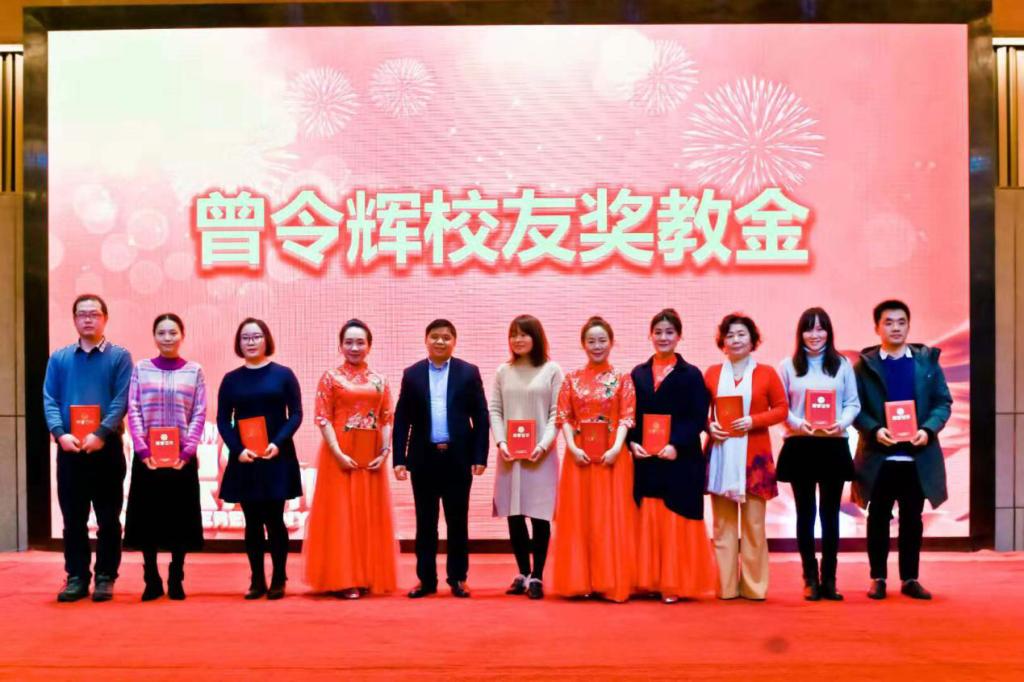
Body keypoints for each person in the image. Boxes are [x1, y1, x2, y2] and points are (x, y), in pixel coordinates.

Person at [852, 300, 952, 601]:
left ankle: (910, 578)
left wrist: (928, 430)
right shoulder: (864, 367)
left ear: (909, 325)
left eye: (901, 322)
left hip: (917, 457)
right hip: (879, 456)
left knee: (912, 519)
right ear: (877, 328)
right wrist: (873, 429)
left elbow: (942, 403)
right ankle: (878, 578)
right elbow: (854, 407)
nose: (895, 328)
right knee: (878, 518)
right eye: (888, 322)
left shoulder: (927, 363)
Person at [43, 294, 133, 602]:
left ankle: (106, 576)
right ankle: (77, 577)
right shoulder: (59, 358)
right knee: (73, 519)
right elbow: (50, 399)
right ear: (74, 320)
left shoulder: (119, 357)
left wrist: (101, 432)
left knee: (108, 518)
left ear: (105, 318)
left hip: (106, 448)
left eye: (94, 314)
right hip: (70, 449)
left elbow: (121, 400)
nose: (88, 319)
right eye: (82, 314)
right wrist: (60, 434)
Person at [392, 319, 489, 598]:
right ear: (426, 340)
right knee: (426, 523)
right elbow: (402, 419)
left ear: (454, 342)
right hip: (424, 459)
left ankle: (457, 578)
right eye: (434, 337)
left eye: (446, 337)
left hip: (458, 458)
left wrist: (480, 455)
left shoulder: (468, 372)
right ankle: (426, 580)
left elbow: (481, 416)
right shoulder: (412, 374)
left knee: (457, 521)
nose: (440, 342)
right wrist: (399, 458)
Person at [628, 309, 716, 604]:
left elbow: (697, 416)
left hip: (680, 460)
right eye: (658, 332)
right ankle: (651, 580)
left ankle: (674, 582)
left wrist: (676, 444)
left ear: (679, 336)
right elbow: (629, 414)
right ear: (650, 335)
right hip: (647, 460)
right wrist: (632, 443)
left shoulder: (691, 374)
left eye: (669, 332)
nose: (663, 338)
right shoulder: (638, 373)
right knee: (650, 518)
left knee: (675, 520)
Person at [304, 320, 398, 598]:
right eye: (348, 342)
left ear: (369, 346)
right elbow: (323, 418)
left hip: (370, 455)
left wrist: (384, 452)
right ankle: (343, 578)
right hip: (339, 455)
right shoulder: (331, 378)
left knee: (368, 515)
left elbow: (386, 419)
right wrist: (337, 452)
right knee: (341, 516)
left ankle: (366, 575)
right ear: (340, 346)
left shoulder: (380, 380)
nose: (354, 348)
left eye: (360, 342)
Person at [776, 307, 860, 601]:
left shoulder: (842, 365)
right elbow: (781, 407)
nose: (815, 335)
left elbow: (853, 403)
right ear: (800, 333)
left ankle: (830, 579)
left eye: (820, 328)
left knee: (830, 514)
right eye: (809, 329)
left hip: (833, 445)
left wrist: (842, 423)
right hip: (801, 445)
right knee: (805, 514)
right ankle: (810, 578)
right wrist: (801, 424)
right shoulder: (787, 366)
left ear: (829, 332)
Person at [551, 316, 637, 603]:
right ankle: (581, 581)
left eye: (602, 340)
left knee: (609, 519)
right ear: (583, 344)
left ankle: (610, 580)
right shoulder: (571, 379)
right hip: (580, 458)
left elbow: (626, 417)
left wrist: (616, 448)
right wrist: (572, 448)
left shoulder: (623, 379)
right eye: (591, 341)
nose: (597, 346)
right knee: (581, 518)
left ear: (611, 343)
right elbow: (564, 417)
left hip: (613, 457)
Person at [217, 318, 303, 600]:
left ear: (266, 339)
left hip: (276, 456)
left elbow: (296, 414)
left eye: (256, 336)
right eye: (245, 337)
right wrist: (237, 449)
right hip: (246, 458)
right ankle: (257, 579)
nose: (251, 342)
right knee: (252, 521)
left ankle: (279, 577)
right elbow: (223, 420)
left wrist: (278, 443)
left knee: (275, 520)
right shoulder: (231, 379)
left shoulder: (283, 375)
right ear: (239, 343)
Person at [124, 313, 207, 601]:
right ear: (154, 337)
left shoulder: (194, 371)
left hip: (181, 460)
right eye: (162, 333)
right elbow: (134, 408)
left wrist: (188, 450)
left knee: (180, 519)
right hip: (148, 459)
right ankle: (151, 578)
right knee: (147, 520)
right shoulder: (141, 369)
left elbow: (199, 412)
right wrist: (142, 449)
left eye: (173, 332)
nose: (168, 338)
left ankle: (176, 576)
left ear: (182, 336)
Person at [705, 313, 787, 601]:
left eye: (741, 334)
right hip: (721, 456)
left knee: (754, 526)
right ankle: (726, 587)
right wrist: (709, 425)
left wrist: (754, 420)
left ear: (753, 340)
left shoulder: (767, 373)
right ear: (722, 342)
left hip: (755, 460)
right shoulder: (712, 373)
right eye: (730, 335)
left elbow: (782, 409)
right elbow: (701, 411)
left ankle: (754, 587)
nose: (736, 340)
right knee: (722, 527)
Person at [490, 315, 563, 600]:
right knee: (515, 513)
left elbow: (556, 413)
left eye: (524, 334)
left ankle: (538, 576)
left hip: (540, 455)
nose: (518, 340)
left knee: (540, 514)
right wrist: (501, 442)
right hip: (510, 454)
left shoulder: (551, 370)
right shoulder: (503, 371)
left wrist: (543, 445)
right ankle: (522, 572)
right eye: (513, 334)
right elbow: (495, 410)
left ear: (536, 337)